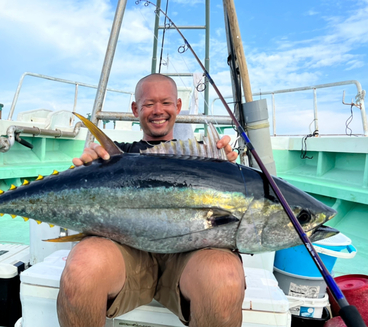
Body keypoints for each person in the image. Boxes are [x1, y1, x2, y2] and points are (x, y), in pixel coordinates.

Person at [57, 74, 245, 327]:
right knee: (82, 267)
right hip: (126, 256)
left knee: (225, 275)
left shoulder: (205, 159)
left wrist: (225, 166)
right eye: (148, 104)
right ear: (135, 109)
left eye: (166, 103)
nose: (158, 111)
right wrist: (89, 166)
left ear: (178, 106)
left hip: (189, 260)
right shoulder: (113, 157)